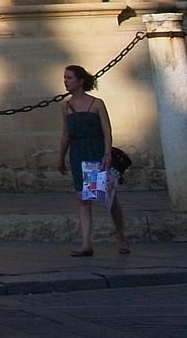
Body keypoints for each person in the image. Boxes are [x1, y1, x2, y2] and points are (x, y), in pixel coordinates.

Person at [57, 64, 129, 257]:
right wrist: (60, 157)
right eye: (65, 78)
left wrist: (106, 153)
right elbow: (65, 134)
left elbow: (107, 131)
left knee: (107, 197)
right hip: (77, 153)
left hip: (95, 152)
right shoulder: (65, 106)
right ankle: (86, 243)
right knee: (82, 199)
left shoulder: (96, 103)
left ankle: (121, 236)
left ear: (80, 81)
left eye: (69, 78)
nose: (65, 81)